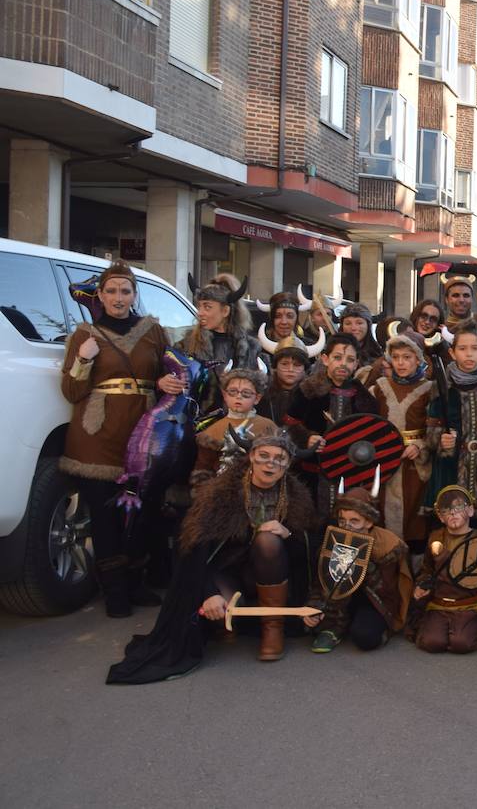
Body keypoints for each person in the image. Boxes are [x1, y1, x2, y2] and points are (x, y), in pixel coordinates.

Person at [106, 433, 315, 682]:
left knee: (268, 540)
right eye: (264, 456)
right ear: (251, 457)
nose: (270, 464)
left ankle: (273, 629)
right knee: (222, 610)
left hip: (270, 572)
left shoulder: (297, 497)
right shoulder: (220, 493)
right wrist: (208, 593)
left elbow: (307, 553)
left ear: (288, 465)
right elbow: (190, 548)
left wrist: (288, 533)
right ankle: (228, 622)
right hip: (227, 572)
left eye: (279, 459)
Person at [61, 261, 181, 617]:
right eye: (111, 291)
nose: (118, 297)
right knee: (104, 516)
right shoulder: (85, 334)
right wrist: (82, 361)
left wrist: (164, 382)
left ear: (134, 295)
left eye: (125, 291)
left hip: (143, 435)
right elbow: (71, 390)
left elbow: (173, 372)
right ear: (99, 295)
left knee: (141, 513)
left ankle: (134, 582)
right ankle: (114, 593)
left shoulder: (153, 332)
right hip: (97, 436)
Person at [426, 321, 477, 545]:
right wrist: (441, 442)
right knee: (451, 524)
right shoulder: (442, 388)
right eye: (462, 348)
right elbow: (431, 434)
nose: (468, 354)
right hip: (451, 468)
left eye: (474, 348)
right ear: (452, 352)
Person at [305, 486, 413, 653]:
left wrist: (365, 566)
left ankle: (376, 629)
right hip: (341, 598)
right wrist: (313, 607)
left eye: (354, 521)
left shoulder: (388, 545)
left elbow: (390, 592)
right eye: (342, 520)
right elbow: (322, 581)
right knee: (305, 624)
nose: (346, 526)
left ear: (368, 521)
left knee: (365, 637)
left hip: (373, 601)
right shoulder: (334, 539)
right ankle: (336, 625)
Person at [283, 333, 380, 515]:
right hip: (311, 472)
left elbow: (372, 431)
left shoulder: (364, 397)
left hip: (350, 472)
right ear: (325, 359)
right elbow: (290, 423)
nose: (343, 364)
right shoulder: (307, 390)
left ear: (357, 363)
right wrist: (307, 437)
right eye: (337, 357)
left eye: (350, 359)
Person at [411, 486, 477, 654]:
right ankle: (439, 626)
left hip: (468, 605)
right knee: (432, 643)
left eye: (458, 508)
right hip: (439, 604)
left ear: (470, 510)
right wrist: (422, 585)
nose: (453, 513)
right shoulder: (435, 537)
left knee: (461, 644)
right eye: (446, 510)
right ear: (440, 516)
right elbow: (427, 569)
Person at [369, 335, 435, 547]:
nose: (401, 362)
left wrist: (420, 444)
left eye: (407, 357)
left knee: (414, 520)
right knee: (382, 514)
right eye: (396, 357)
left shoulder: (430, 389)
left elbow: (435, 427)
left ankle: (413, 572)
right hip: (385, 461)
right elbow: (367, 423)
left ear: (418, 359)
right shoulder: (379, 387)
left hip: (414, 465)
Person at [191, 369, 278, 488]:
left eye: (246, 393)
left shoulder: (267, 426)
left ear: (257, 398)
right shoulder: (213, 430)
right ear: (225, 395)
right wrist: (204, 495)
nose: (238, 397)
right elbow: (204, 468)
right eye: (233, 392)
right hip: (223, 489)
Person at [178, 273, 257, 401]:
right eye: (200, 306)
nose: (200, 313)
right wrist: (163, 382)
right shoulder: (185, 346)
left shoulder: (251, 349)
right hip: (196, 418)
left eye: (207, 307)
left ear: (225, 311)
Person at [336, 303, 385, 384]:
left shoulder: (378, 355)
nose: (354, 328)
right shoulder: (332, 352)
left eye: (359, 323)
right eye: (348, 323)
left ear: (368, 326)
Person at [261, 345, 308, 425]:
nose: (290, 369)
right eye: (284, 364)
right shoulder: (261, 393)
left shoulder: (312, 396)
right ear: (276, 367)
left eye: (297, 365)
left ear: (304, 369)